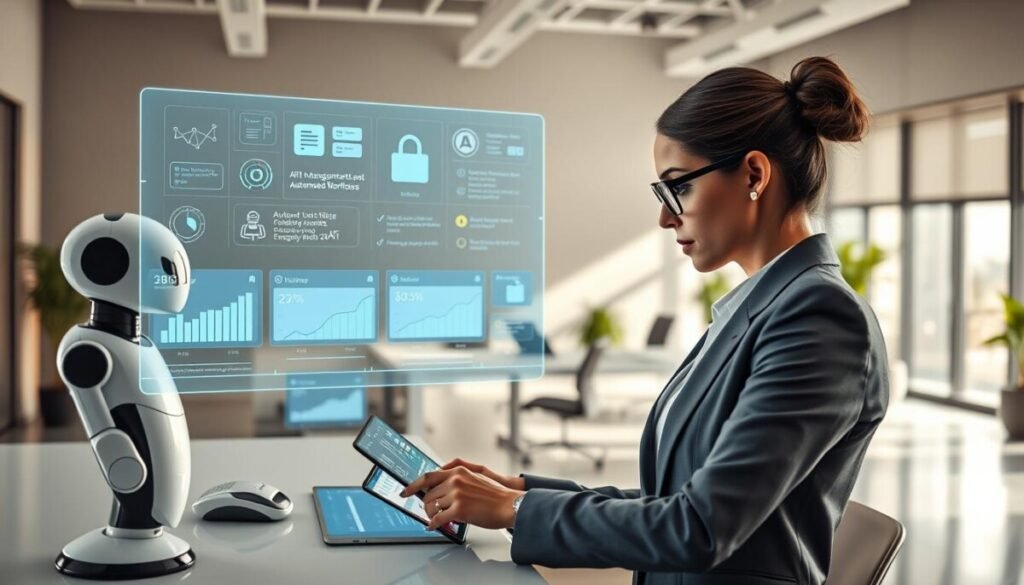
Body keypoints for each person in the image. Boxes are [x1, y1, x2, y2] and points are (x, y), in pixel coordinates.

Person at [402, 56, 889, 585]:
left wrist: (514, 513)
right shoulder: (760, 307)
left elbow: (699, 527)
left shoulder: (819, 318)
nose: (664, 216)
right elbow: (676, 500)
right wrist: (518, 493)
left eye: (677, 187)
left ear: (754, 173)